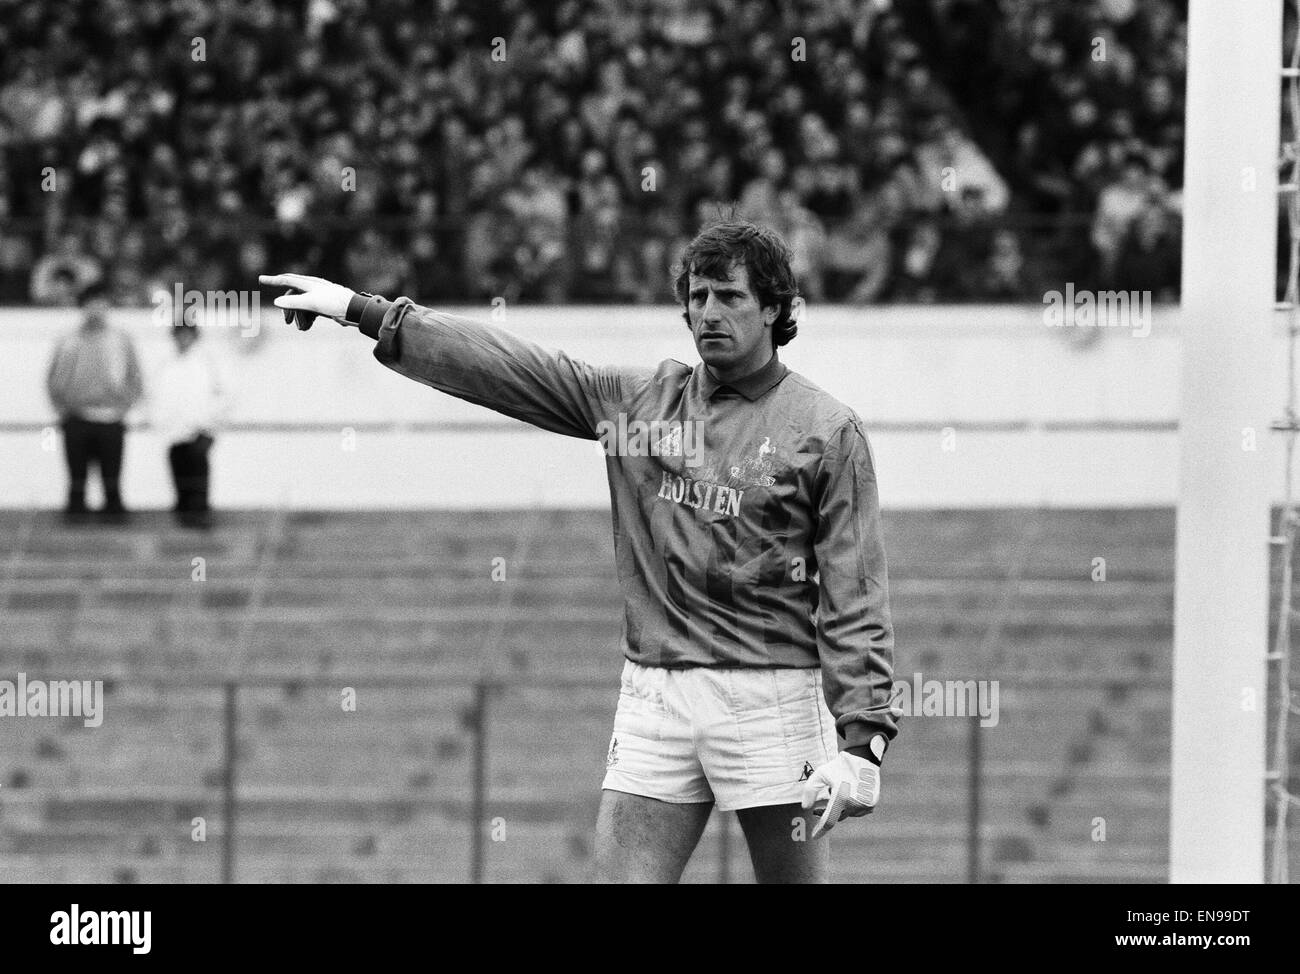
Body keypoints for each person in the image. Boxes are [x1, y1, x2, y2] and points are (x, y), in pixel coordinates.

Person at [259, 219, 898, 884]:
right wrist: (362, 311)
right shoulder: (638, 403)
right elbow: (507, 367)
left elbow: (855, 590)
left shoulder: (827, 431)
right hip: (657, 693)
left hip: (773, 695)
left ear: (772, 308)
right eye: (698, 295)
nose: (708, 312)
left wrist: (865, 741)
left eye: (729, 297)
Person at [46, 282, 144, 524]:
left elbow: (135, 377)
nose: (96, 309)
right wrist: (62, 409)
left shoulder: (121, 339)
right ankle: (76, 521)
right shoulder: (68, 340)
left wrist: (124, 407)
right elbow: (53, 378)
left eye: (100, 303)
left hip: (110, 418)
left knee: (112, 479)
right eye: (91, 303)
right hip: (76, 418)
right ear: (83, 307)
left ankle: (113, 519)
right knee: (77, 479)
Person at [150, 320, 229, 529]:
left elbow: (224, 397)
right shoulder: (167, 364)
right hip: (174, 434)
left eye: (187, 335)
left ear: (195, 337)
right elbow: (158, 398)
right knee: (180, 481)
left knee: (197, 482)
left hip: (199, 432)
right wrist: (162, 425)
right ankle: (183, 524)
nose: (183, 339)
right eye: (179, 335)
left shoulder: (208, 362)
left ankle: (200, 521)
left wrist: (207, 425)